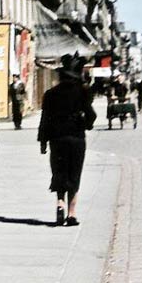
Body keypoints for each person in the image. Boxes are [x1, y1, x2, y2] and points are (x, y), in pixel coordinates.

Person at [38, 53, 97, 226]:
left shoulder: (50, 94)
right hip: (77, 137)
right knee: (74, 173)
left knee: (59, 171)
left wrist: (43, 141)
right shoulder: (82, 92)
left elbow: (45, 119)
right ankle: (71, 214)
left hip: (56, 138)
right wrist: (87, 124)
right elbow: (91, 115)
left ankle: (59, 203)